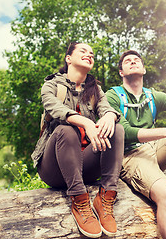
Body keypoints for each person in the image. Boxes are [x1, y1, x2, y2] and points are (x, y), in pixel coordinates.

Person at [31, 42, 124, 238]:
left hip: (85, 168)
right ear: (68, 58)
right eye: (83, 51)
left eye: (91, 53)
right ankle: (80, 200)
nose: (89, 54)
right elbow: (54, 109)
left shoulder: (95, 90)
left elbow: (106, 108)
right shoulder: (51, 85)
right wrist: (85, 123)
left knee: (117, 129)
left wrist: (109, 116)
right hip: (54, 169)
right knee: (66, 130)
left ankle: (105, 198)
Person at [106, 50, 166, 239]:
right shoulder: (113, 96)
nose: (132, 62)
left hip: (153, 150)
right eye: (127, 61)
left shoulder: (152, 96)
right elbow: (127, 134)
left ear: (144, 69)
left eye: (136, 60)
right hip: (130, 156)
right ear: (121, 73)